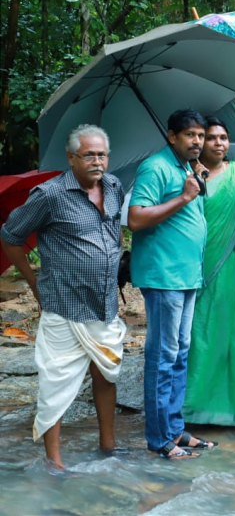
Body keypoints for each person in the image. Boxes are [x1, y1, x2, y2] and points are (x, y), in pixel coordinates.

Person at [0, 125, 126, 470]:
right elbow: (10, 235)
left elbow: (112, 232)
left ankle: (108, 445)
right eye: (89, 155)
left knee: (107, 373)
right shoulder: (49, 194)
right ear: (71, 158)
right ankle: (54, 464)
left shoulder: (114, 187)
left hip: (104, 304)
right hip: (64, 305)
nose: (97, 161)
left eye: (102, 154)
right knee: (55, 384)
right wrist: (33, 282)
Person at [128, 109, 216, 459]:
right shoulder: (155, 167)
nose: (198, 141)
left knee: (179, 355)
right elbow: (135, 219)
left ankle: (175, 430)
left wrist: (194, 185)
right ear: (172, 136)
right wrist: (183, 197)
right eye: (190, 135)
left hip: (185, 275)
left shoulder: (185, 169)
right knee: (162, 357)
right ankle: (158, 439)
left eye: (201, 135)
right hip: (164, 276)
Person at [183, 117, 235, 427]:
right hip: (196, 267)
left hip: (234, 266)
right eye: (211, 137)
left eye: (223, 138)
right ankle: (198, 407)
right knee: (201, 334)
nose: (218, 143)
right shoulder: (186, 176)